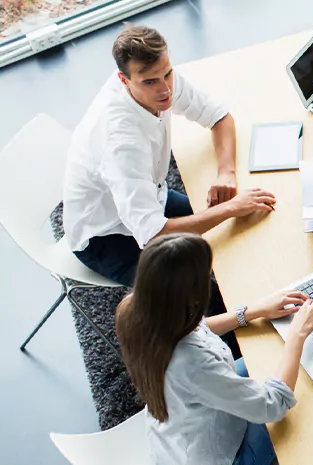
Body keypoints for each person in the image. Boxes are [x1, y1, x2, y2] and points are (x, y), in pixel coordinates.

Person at [63, 25, 272, 355]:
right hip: (105, 236)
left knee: (234, 238)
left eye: (168, 74)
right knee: (195, 299)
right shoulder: (121, 143)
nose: (165, 89)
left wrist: (226, 172)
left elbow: (220, 116)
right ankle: (243, 357)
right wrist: (231, 207)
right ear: (124, 81)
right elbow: (153, 235)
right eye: (150, 81)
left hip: (150, 197)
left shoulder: (161, 81)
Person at [116, 233, 313, 465]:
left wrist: (251, 311)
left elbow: (196, 328)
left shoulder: (135, 308)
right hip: (223, 454)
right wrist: (297, 335)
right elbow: (272, 405)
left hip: (179, 431)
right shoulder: (193, 363)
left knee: (272, 361)